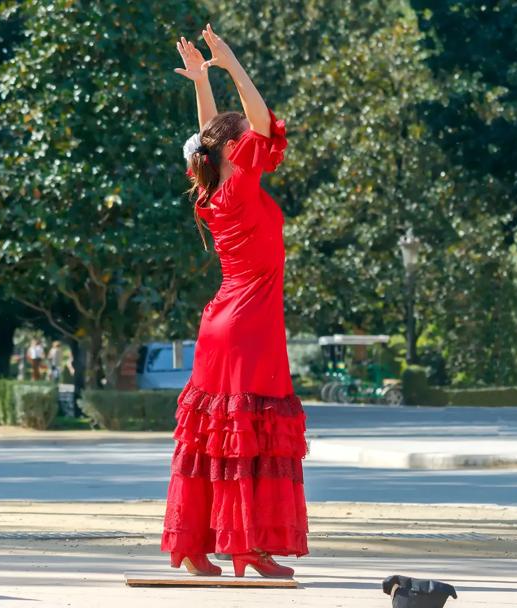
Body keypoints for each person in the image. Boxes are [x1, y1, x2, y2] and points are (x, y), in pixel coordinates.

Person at [161, 25, 307, 580]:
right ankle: (246, 547)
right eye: (243, 136)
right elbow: (261, 119)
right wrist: (229, 63)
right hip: (250, 322)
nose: (256, 137)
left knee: (211, 432)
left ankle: (198, 548)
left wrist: (201, 80)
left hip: (222, 320)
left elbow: (209, 133)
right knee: (248, 429)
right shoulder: (241, 179)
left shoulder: (212, 188)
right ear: (233, 148)